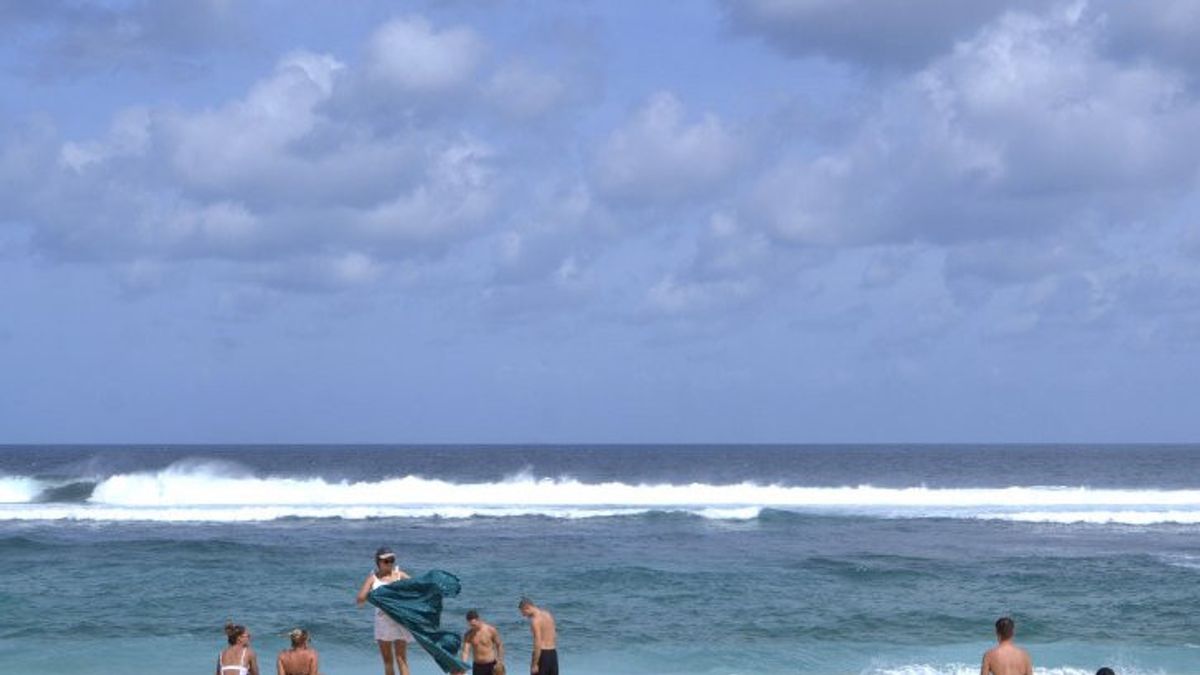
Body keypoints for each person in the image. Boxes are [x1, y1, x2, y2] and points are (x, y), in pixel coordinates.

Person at [357, 546, 414, 675]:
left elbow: (418, 589)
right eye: (386, 561)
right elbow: (360, 599)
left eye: (391, 560)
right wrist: (373, 597)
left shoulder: (400, 575)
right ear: (378, 562)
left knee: (401, 658)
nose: (389, 563)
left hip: (399, 619)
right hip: (383, 622)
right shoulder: (373, 578)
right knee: (388, 660)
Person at [518, 598, 557, 675]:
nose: (523, 615)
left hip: (542, 655)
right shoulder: (548, 614)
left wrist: (534, 664)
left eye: (523, 612)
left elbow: (537, 643)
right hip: (553, 654)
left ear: (527, 607)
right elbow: (555, 634)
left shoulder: (535, 621)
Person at [460, 609, 505, 675]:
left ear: (478, 620)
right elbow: (465, 652)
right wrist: (463, 666)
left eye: (474, 625)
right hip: (477, 666)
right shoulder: (468, 635)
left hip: (491, 665)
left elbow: (499, 645)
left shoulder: (490, 630)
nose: (473, 627)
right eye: (471, 625)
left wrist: (500, 662)